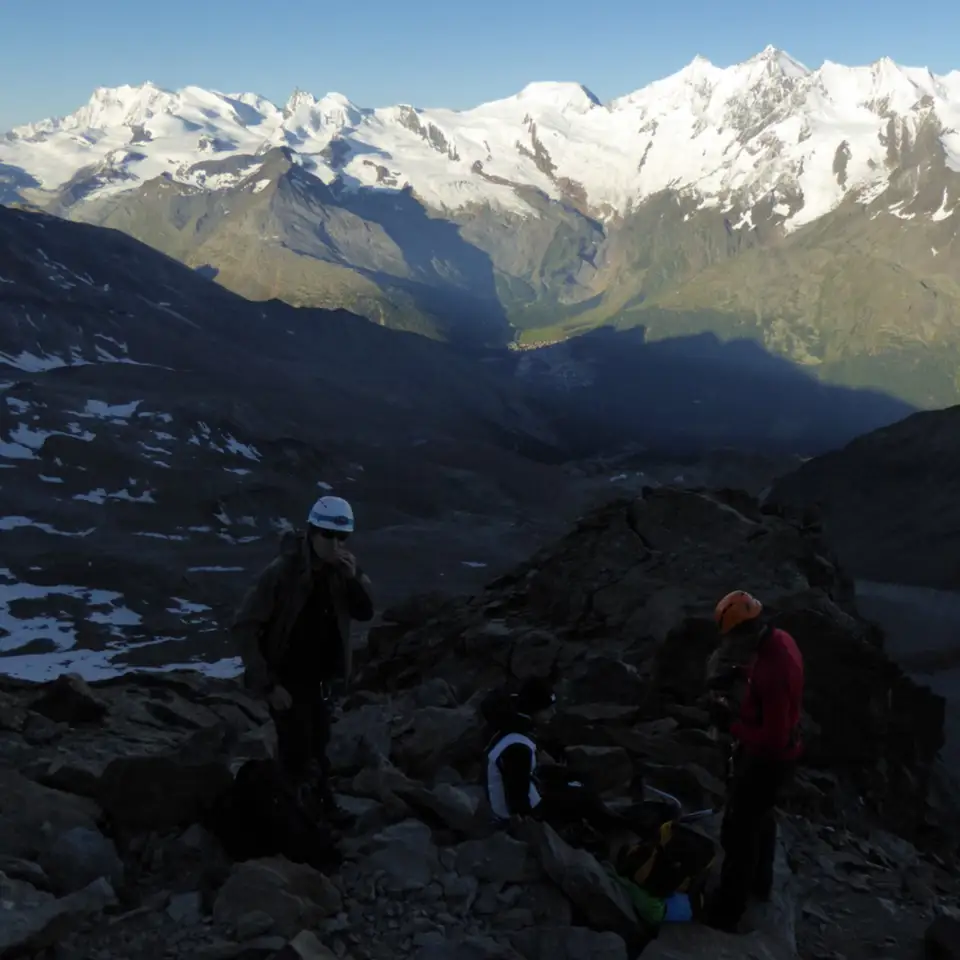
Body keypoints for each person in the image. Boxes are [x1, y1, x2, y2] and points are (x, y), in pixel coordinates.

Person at [232, 495, 374, 826]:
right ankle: (294, 823)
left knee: (318, 747)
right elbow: (244, 626)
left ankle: (321, 810)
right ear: (311, 532)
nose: (335, 544)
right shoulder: (283, 572)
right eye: (327, 535)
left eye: (342, 538)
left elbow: (365, 611)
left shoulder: (343, 571)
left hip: (322, 682)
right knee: (296, 754)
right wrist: (268, 684)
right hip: (287, 681)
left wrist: (354, 579)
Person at [703, 590, 804, 934]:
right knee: (761, 817)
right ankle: (761, 882)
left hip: (768, 760)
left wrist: (731, 725)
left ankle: (727, 910)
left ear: (744, 633)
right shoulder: (780, 640)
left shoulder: (772, 674)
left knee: (739, 829)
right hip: (781, 754)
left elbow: (772, 740)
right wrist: (739, 678)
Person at [482, 677, 626, 834]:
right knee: (583, 796)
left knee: (574, 778)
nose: (553, 712)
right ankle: (617, 833)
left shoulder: (511, 728)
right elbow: (517, 798)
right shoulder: (518, 746)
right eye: (548, 708)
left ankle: (606, 824)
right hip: (517, 815)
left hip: (525, 797)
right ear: (534, 709)